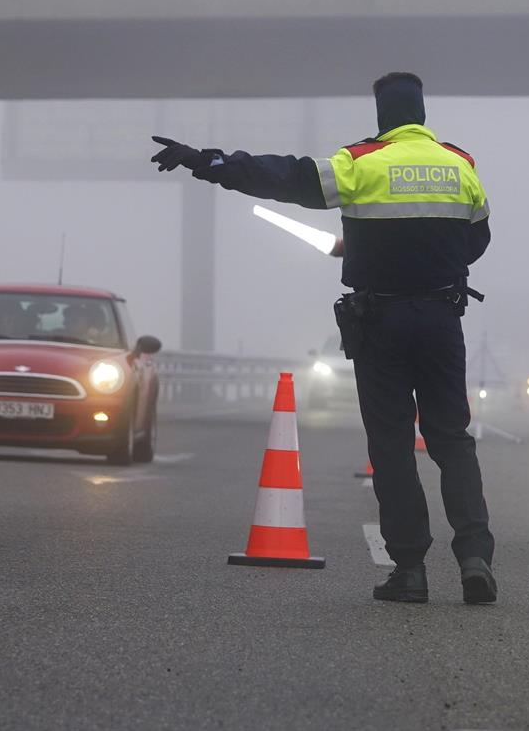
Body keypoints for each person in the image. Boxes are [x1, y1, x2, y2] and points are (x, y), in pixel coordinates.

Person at [149, 72, 496, 605]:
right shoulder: (460, 164)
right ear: (422, 115)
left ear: (382, 116)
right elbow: (476, 240)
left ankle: (410, 571)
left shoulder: (358, 162)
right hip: (441, 319)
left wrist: (208, 161)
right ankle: (474, 557)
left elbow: (282, 177)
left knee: (392, 442)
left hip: (380, 322)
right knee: (452, 439)